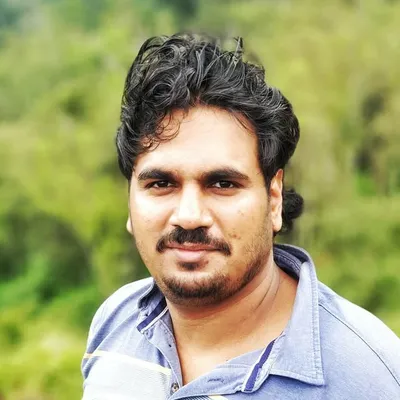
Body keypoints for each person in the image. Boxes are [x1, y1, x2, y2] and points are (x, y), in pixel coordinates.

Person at [81, 33, 400, 399]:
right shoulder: (118, 321)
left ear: (274, 199)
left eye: (222, 184)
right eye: (161, 183)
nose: (189, 217)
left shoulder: (367, 376)